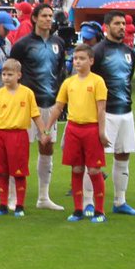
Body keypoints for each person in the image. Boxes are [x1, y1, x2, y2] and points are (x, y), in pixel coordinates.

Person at [8, 2, 66, 211]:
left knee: (46, 147)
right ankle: (13, 197)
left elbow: (60, 72)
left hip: (49, 105)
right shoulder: (23, 44)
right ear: (34, 18)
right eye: (44, 16)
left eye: (50, 16)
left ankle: (43, 197)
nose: (48, 19)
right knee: (18, 150)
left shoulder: (58, 43)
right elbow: (11, 71)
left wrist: (61, 101)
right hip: (26, 105)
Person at [45, 44, 108, 223]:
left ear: (91, 60)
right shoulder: (68, 82)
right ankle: (78, 209)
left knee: (94, 170)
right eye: (75, 59)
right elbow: (58, 107)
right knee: (77, 168)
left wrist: (102, 132)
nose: (77, 62)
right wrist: (47, 128)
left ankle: (100, 211)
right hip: (73, 129)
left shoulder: (97, 81)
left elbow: (101, 109)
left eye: (81, 58)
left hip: (91, 129)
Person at [92, 11, 135, 216]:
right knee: (95, 159)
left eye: (123, 23)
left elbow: (128, 79)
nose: (122, 27)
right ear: (106, 26)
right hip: (106, 112)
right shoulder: (98, 51)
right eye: (117, 23)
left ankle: (120, 201)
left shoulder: (130, 52)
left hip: (126, 111)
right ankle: (89, 203)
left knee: (123, 154)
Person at [0, 59, 46, 216]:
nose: (6, 78)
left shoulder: (27, 93)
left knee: (19, 172)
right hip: (1, 135)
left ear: (19, 75)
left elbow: (35, 115)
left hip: (18, 136)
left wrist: (43, 132)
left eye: (10, 74)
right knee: (2, 172)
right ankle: (3, 205)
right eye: (4, 74)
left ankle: (19, 205)